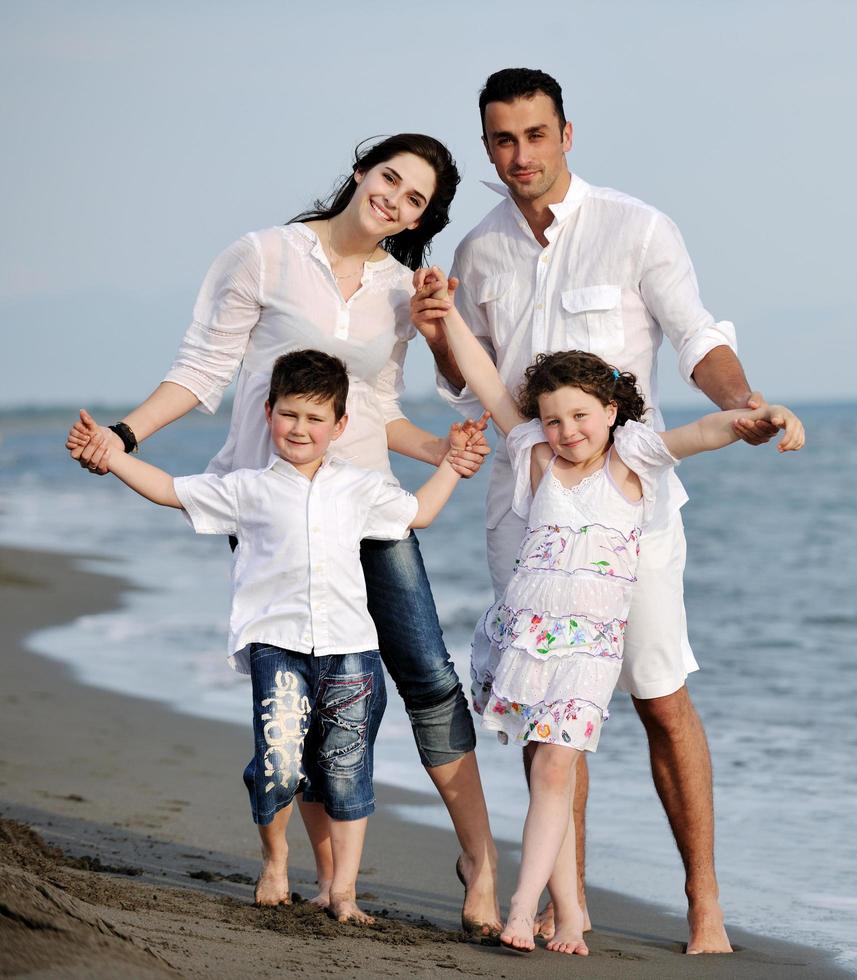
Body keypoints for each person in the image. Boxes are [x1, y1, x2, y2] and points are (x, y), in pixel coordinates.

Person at [65, 134, 503, 933]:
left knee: (427, 674)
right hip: (269, 503)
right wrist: (125, 439)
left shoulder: (403, 288)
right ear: (362, 171)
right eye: (390, 179)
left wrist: (441, 448)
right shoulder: (263, 256)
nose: (395, 201)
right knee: (304, 683)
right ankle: (328, 875)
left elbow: (377, 407)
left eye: (415, 201)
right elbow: (202, 370)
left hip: (365, 499)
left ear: (421, 218)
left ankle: (480, 862)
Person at [412, 68, 785, 953]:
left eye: (535, 135)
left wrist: (743, 404)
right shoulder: (478, 252)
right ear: (487, 146)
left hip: (630, 513)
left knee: (659, 698)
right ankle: (558, 903)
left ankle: (702, 905)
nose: (520, 155)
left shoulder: (636, 227)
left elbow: (698, 338)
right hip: (524, 516)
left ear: (566, 133)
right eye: (503, 140)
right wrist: (435, 331)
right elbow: (471, 384)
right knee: (549, 715)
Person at [67, 350, 478, 924]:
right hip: (277, 645)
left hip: (351, 650)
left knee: (346, 768)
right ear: (267, 413)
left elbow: (420, 514)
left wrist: (452, 466)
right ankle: (276, 858)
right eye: (289, 415)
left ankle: (344, 892)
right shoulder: (247, 488)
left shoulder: (359, 488)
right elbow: (168, 489)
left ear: (340, 426)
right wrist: (113, 456)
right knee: (281, 763)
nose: (300, 429)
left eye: (315, 419)